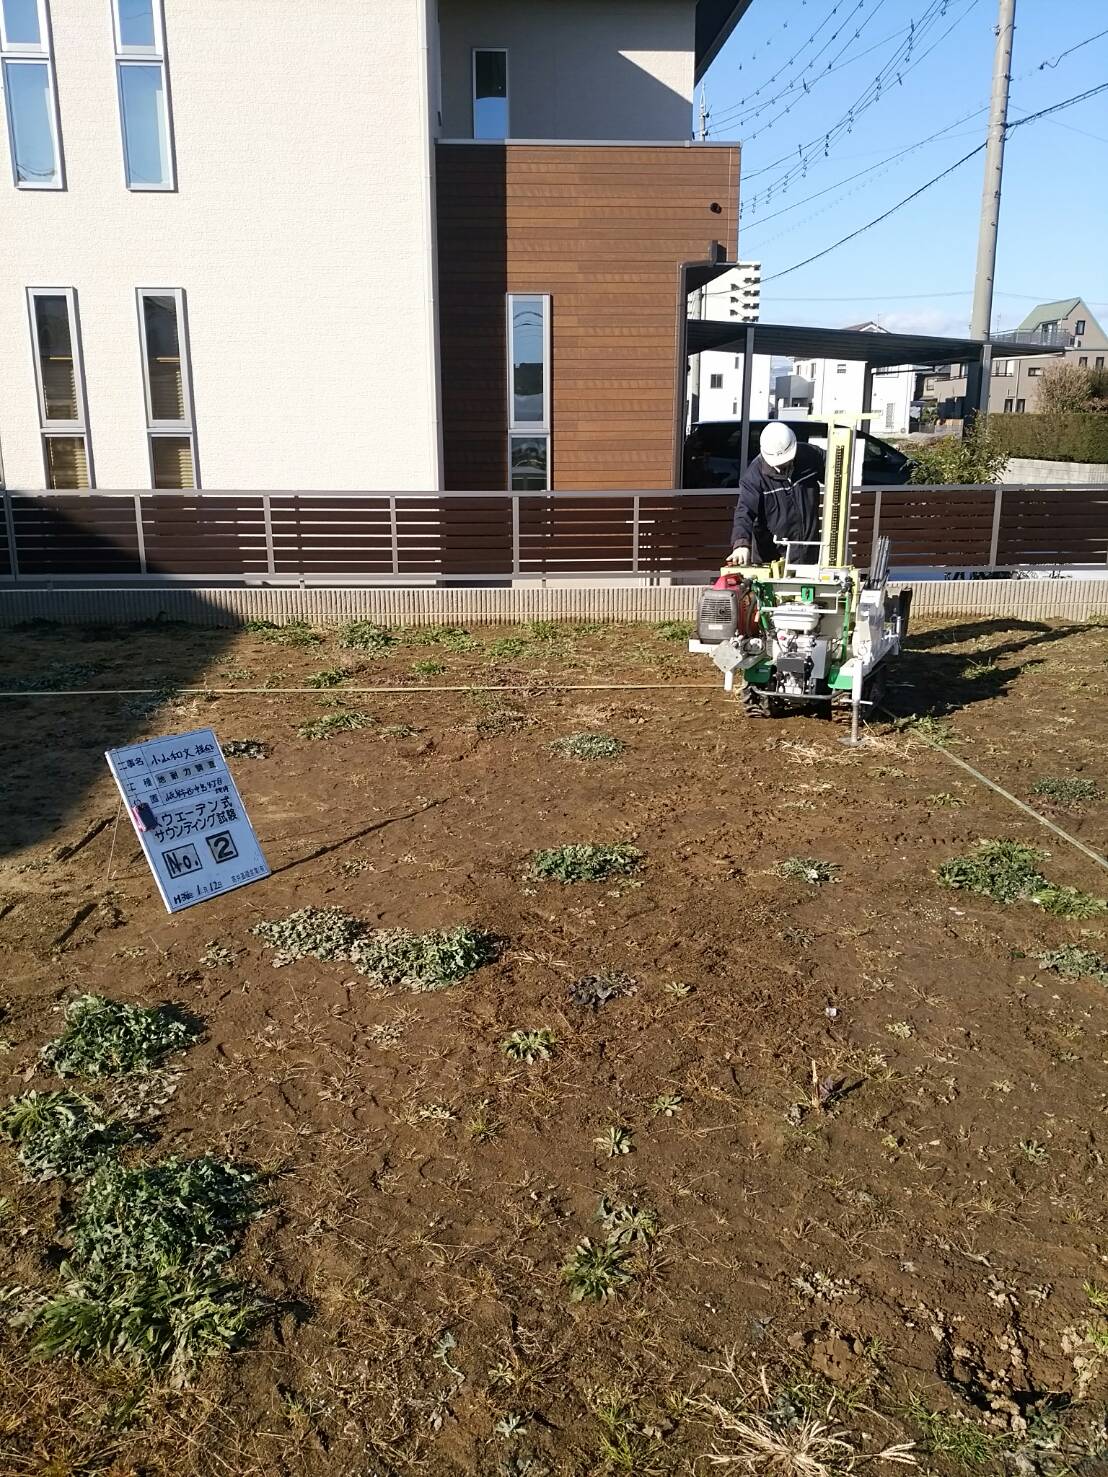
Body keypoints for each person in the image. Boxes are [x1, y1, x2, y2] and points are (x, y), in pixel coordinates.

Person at [728, 422, 825, 567]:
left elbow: (837, 467)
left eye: (787, 461)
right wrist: (741, 544)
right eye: (779, 464)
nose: (783, 466)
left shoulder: (811, 456)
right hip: (771, 559)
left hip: (809, 552)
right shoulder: (754, 477)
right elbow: (744, 511)